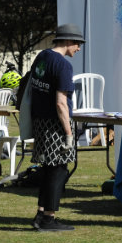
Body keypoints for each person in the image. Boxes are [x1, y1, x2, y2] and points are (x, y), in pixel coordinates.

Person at [28, 23, 85, 232]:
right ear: (69, 41)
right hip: (55, 124)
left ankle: (41, 214)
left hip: (40, 121)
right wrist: (69, 133)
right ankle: (48, 219)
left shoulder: (42, 57)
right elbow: (61, 102)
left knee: (49, 168)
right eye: (78, 44)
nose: (78, 48)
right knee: (59, 170)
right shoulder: (63, 65)